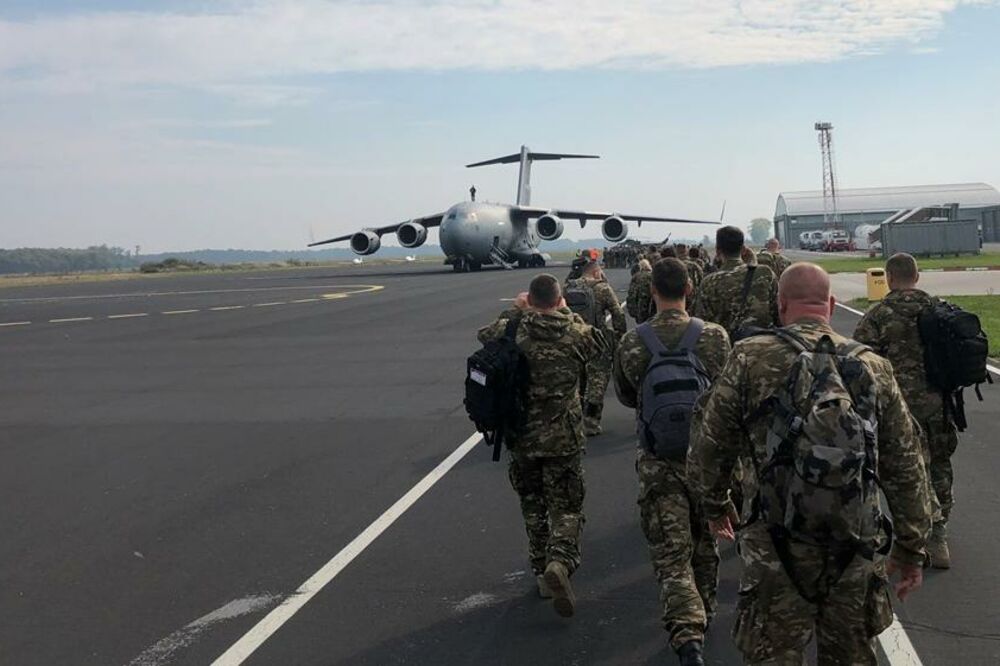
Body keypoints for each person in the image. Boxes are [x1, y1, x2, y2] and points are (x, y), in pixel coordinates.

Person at [688, 263, 932, 665]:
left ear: (780, 305)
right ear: (831, 305)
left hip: (775, 543)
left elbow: (710, 445)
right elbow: (906, 464)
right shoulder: (873, 366)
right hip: (853, 543)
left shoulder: (750, 357)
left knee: (774, 655)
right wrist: (911, 547)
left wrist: (716, 507)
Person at [614, 259, 731, 666]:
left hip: (658, 461)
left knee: (671, 553)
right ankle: (706, 616)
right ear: (690, 289)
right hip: (707, 457)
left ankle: (688, 634)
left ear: (652, 293)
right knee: (705, 542)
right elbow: (725, 393)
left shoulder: (633, 342)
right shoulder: (714, 337)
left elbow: (629, 396)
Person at [477, 274, 602, 617]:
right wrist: (568, 313)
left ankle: (541, 573)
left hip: (522, 436)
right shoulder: (576, 333)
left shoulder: (514, 332)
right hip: (564, 437)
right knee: (567, 506)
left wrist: (516, 312)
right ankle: (560, 561)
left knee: (533, 506)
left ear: (530, 300)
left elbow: (484, 336)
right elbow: (599, 345)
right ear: (559, 300)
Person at [854, 253, 957, 568]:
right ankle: (940, 525)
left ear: (888, 277)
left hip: (900, 409)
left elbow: (858, 360)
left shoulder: (880, 315)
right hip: (940, 403)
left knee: (912, 471)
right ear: (917, 276)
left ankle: (932, 533)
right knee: (939, 465)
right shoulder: (939, 309)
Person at [565, 259, 627, 436]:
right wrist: (619, 335)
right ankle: (591, 421)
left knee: (577, 379)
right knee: (597, 380)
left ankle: (573, 419)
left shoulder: (568, 288)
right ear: (595, 272)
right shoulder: (602, 288)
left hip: (573, 339)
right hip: (597, 338)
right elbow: (617, 312)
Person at [694, 226, 778, 341]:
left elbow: (703, 323)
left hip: (728, 347)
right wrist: (753, 261)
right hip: (762, 346)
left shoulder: (709, 282)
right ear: (744, 249)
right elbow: (778, 310)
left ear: (718, 251)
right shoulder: (765, 273)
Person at [627, 258, 656, 324]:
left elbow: (631, 293)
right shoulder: (652, 276)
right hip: (650, 307)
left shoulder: (636, 276)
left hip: (639, 307)